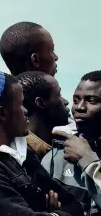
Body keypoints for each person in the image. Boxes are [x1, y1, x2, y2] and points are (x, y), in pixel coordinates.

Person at [0, 70, 83, 216]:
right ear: (2, 113)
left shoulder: (22, 155)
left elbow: (73, 206)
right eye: (21, 104)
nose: (26, 111)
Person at [42, 70, 101, 215]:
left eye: (92, 100)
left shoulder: (85, 157)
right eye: (75, 100)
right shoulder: (55, 157)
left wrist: (88, 160)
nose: (79, 107)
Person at [16, 71, 70, 159]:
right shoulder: (21, 157)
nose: (66, 102)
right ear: (40, 103)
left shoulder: (66, 146)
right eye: (59, 95)